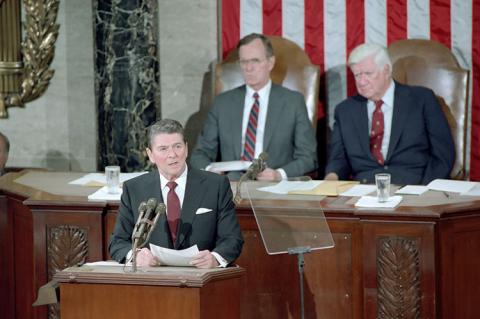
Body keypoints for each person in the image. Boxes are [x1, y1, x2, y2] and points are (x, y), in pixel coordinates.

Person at [109, 119, 244, 268]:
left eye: (177, 146)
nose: (172, 154)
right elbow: (118, 242)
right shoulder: (134, 189)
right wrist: (135, 256)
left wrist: (215, 258)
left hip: (201, 277)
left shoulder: (216, 185)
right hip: (153, 278)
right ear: (151, 154)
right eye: (163, 149)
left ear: (186, 149)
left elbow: (232, 239)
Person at [190, 33, 317, 181]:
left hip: (274, 186)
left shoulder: (293, 102)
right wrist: (209, 169)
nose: (249, 68)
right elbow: (200, 154)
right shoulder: (223, 103)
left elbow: (309, 158)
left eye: (255, 61)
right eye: (243, 62)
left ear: (270, 63)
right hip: (231, 185)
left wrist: (279, 174)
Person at [325, 43, 455, 185]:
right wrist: (331, 178)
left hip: (413, 187)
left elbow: (443, 154)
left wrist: (426, 190)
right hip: (364, 191)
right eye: (357, 75)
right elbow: (338, 159)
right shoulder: (345, 110)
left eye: (368, 74)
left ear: (386, 70)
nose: (361, 82)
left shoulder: (422, 100)